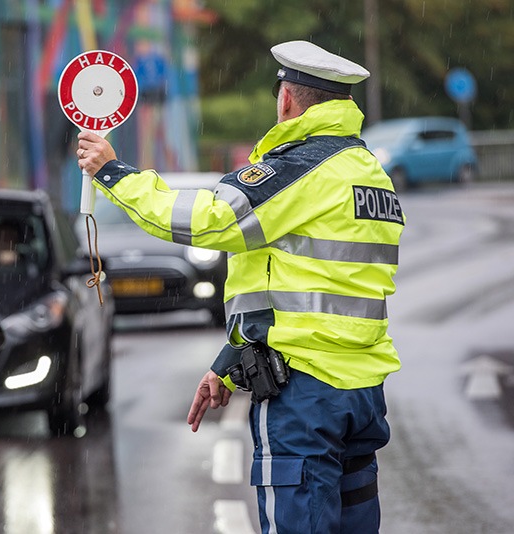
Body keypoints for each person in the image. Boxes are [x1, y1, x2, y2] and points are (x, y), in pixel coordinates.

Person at [76, 40, 404, 533]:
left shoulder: (299, 167)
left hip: (306, 395)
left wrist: (113, 173)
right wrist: (228, 368)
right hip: (361, 393)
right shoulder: (370, 174)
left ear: (287, 101)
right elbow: (305, 288)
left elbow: (207, 220)